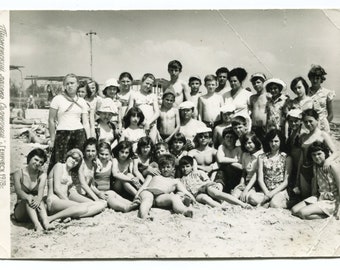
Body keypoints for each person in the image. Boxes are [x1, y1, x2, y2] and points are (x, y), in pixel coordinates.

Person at [46, 149, 106, 221]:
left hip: (64, 202)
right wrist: (69, 202)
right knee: (82, 208)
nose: (74, 161)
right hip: (54, 200)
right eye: (73, 157)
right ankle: (54, 217)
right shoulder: (59, 166)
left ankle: (68, 214)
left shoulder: (69, 173)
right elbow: (57, 189)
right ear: (67, 156)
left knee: (100, 205)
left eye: (77, 160)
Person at [48, 73, 90, 174]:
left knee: (77, 161)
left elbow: (85, 123)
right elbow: (51, 120)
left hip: (79, 134)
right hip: (62, 133)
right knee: (60, 163)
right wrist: (52, 139)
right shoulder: (57, 99)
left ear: (77, 84)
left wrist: (88, 140)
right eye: (67, 84)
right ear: (64, 85)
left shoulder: (82, 101)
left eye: (72, 83)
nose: (70, 86)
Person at [291, 141, 340, 219]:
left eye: (319, 154)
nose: (316, 157)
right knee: (294, 210)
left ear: (325, 153)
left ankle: (330, 215)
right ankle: (321, 211)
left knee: (302, 213)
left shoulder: (332, 166)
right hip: (321, 197)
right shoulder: (315, 166)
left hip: (333, 200)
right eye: (314, 155)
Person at [135, 154, 194, 219]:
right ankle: (144, 215)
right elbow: (144, 186)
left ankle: (184, 211)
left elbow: (185, 191)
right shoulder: (154, 175)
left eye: (168, 167)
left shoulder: (175, 181)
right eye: (163, 167)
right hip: (148, 191)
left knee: (174, 198)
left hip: (160, 197)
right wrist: (137, 196)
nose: (165, 169)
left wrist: (194, 199)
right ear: (159, 168)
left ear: (173, 168)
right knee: (147, 199)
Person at [296, 109, 338, 199]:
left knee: (318, 196)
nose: (308, 124)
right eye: (305, 122)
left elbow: (336, 152)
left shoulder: (323, 135)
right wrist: (298, 175)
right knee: (305, 198)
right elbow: (301, 158)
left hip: (319, 170)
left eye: (310, 121)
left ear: (317, 120)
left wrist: (328, 161)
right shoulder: (303, 137)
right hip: (305, 170)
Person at [178, 155, 249, 209]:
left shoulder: (198, 173)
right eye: (183, 167)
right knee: (204, 198)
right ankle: (222, 208)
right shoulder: (180, 180)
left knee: (216, 193)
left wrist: (209, 185)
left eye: (187, 166)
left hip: (205, 187)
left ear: (192, 166)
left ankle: (242, 204)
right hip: (196, 194)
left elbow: (208, 181)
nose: (185, 169)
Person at [248, 129, 292, 208]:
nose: (273, 144)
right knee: (251, 198)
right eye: (271, 141)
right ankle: (268, 202)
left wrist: (271, 194)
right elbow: (260, 179)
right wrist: (267, 193)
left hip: (279, 190)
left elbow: (286, 181)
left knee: (275, 204)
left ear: (281, 141)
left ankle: (271, 203)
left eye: (276, 141)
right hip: (265, 190)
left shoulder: (286, 157)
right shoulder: (261, 157)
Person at [91, 142, 139, 212]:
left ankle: (133, 203)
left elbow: (117, 173)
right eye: (102, 154)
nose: (104, 156)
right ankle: (124, 208)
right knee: (111, 199)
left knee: (117, 196)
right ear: (97, 153)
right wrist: (98, 193)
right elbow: (90, 183)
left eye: (106, 154)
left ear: (110, 155)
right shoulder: (94, 164)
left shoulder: (110, 163)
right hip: (98, 192)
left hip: (108, 190)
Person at [13, 149, 50, 231]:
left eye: (40, 162)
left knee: (37, 197)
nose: (37, 163)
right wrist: (28, 197)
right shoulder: (18, 173)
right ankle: (37, 225)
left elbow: (41, 192)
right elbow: (18, 191)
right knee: (29, 198)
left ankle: (46, 223)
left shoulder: (42, 175)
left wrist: (38, 198)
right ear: (30, 158)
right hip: (21, 212)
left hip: (35, 210)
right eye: (36, 160)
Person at [231, 132, 263, 204]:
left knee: (250, 198)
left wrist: (246, 189)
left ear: (255, 142)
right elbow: (244, 172)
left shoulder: (261, 155)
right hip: (247, 183)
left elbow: (256, 174)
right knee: (234, 196)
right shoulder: (245, 154)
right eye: (245, 144)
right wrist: (241, 183)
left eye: (249, 143)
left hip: (256, 184)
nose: (247, 146)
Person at [127, 73, 160, 143]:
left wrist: (148, 122)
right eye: (147, 83)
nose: (148, 86)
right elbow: (130, 111)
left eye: (151, 85)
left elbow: (157, 112)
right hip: (138, 125)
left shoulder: (153, 96)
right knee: (138, 145)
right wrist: (141, 122)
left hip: (151, 125)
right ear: (142, 82)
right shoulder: (134, 95)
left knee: (151, 145)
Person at [307, 65, 335, 132]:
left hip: (323, 127)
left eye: (317, 78)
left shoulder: (327, 93)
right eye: (313, 78)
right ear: (310, 78)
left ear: (321, 79)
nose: (315, 80)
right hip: (308, 126)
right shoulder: (305, 92)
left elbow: (331, 114)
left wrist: (324, 125)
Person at [215, 127, 243, 193]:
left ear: (235, 139)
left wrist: (226, 162)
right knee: (220, 172)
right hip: (224, 175)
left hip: (236, 175)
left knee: (224, 168)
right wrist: (235, 160)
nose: (229, 139)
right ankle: (218, 190)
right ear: (224, 138)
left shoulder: (239, 149)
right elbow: (220, 160)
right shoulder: (222, 147)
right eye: (227, 137)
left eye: (231, 137)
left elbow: (241, 166)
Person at [248, 72, 267, 144]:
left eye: (258, 82)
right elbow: (251, 111)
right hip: (254, 128)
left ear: (264, 82)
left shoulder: (268, 96)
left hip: (265, 127)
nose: (256, 85)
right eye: (254, 83)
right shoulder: (252, 97)